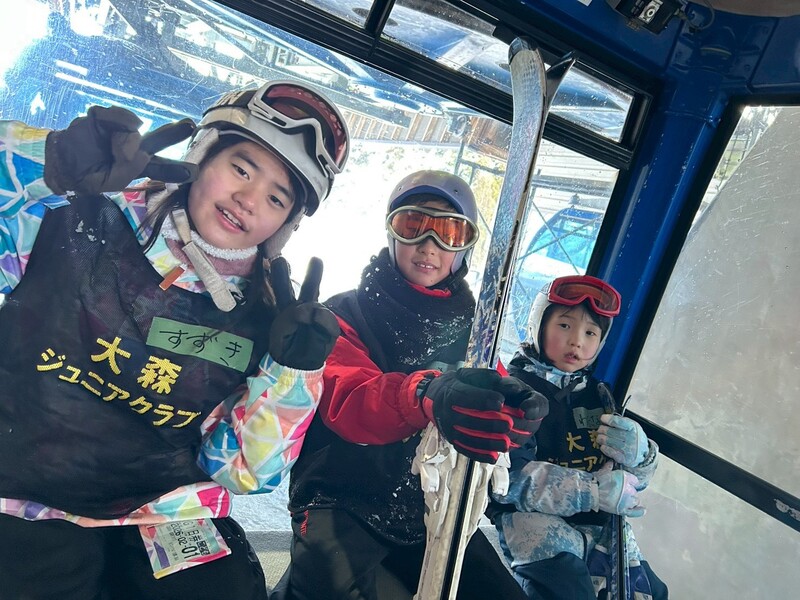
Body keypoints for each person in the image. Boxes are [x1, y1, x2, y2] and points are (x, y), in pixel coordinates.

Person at [0, 80, 349, 599]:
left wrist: (292, 376)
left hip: (165, 512)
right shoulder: (74, 214)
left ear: (285, 224)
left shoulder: (266, 314)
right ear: (201, 156)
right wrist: (46, 163)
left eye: (276, 198)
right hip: (25, 497)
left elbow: (242, 472)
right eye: (242, 169)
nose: (248, 200)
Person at [275, 170, 549, 600]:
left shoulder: (475, 331)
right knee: (322, 588)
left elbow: (488, 391)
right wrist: (425, 396)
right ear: (391, 233)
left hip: (431, 504)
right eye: (412, 225)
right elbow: (349, 399)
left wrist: (514, 414)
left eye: (449, 232)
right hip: (343, 493)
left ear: (464, 248)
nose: (428, 244)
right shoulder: (345, 312)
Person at [489, 275, 669, 599]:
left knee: (651, 592)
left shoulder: (599, 394)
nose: (576, 342)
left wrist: (641, 457)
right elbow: (508, 481)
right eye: (564, 326)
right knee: (568, 590)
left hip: (599, 524)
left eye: (590, 333)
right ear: (538, 325)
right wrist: (593, 492)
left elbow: (627, 483)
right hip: (536, 523)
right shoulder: (515, 391)